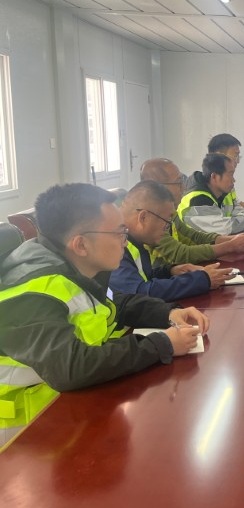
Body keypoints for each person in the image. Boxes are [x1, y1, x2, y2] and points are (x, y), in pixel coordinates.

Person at [0, 184, 209, 448]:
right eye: (119, 233)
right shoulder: (32, 294)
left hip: (69, 410)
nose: (125, 241)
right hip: (25, 439)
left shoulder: (73, 270)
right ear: (81, 244)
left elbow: (113, 305)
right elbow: (72, 367)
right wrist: (162, 344)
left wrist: (168, 312)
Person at [109, 181, 235, 302]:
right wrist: (201, 280)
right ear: (143, 217)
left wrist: (170, 271)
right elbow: (141, 292)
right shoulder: (113, 243)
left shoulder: (134, 239)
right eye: (166, 221)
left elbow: (143, 278)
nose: (167, 228)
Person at [140, 158, 244, 263]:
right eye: (178, 182)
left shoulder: (169, 213)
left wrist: (231, 240)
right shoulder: (150, 219)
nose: (183, 187)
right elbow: (179, 253)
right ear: (158, 186)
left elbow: (193, 237)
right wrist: (229, 246)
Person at [179, 153, 244, 235]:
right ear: (214, 177)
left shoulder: (223, 192)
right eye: (230, 174)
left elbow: (239, 209)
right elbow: (225, 228)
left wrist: (240, 220)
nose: (234, 180)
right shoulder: (197, 200)